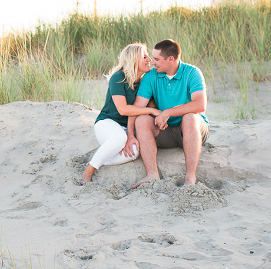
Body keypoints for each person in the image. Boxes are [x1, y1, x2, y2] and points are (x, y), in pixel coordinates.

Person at [130, 39, 209, 188]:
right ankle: (152, 174)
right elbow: (136, 108)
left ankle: (190, 177)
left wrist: (168, 112)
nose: (152, 62)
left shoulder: (192, 73)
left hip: (191, 131)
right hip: (164, 130)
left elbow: (200, 105)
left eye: (157, 59)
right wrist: (130, 135)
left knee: (190, 118)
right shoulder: (151, 76)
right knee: (142, 120)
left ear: (171, 59)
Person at [81, 43, 162, 183]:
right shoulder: (118, 77)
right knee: (119, 139)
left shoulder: (144, 82)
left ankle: (100, 158)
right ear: (133, 59)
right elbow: (123, 109)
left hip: (126, 128)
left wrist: (131, 135)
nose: (149, 60)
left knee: (134, 152)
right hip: (107, 123)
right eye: (144, 57)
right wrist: (152, 110)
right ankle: (89, 170)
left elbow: (149, 105)